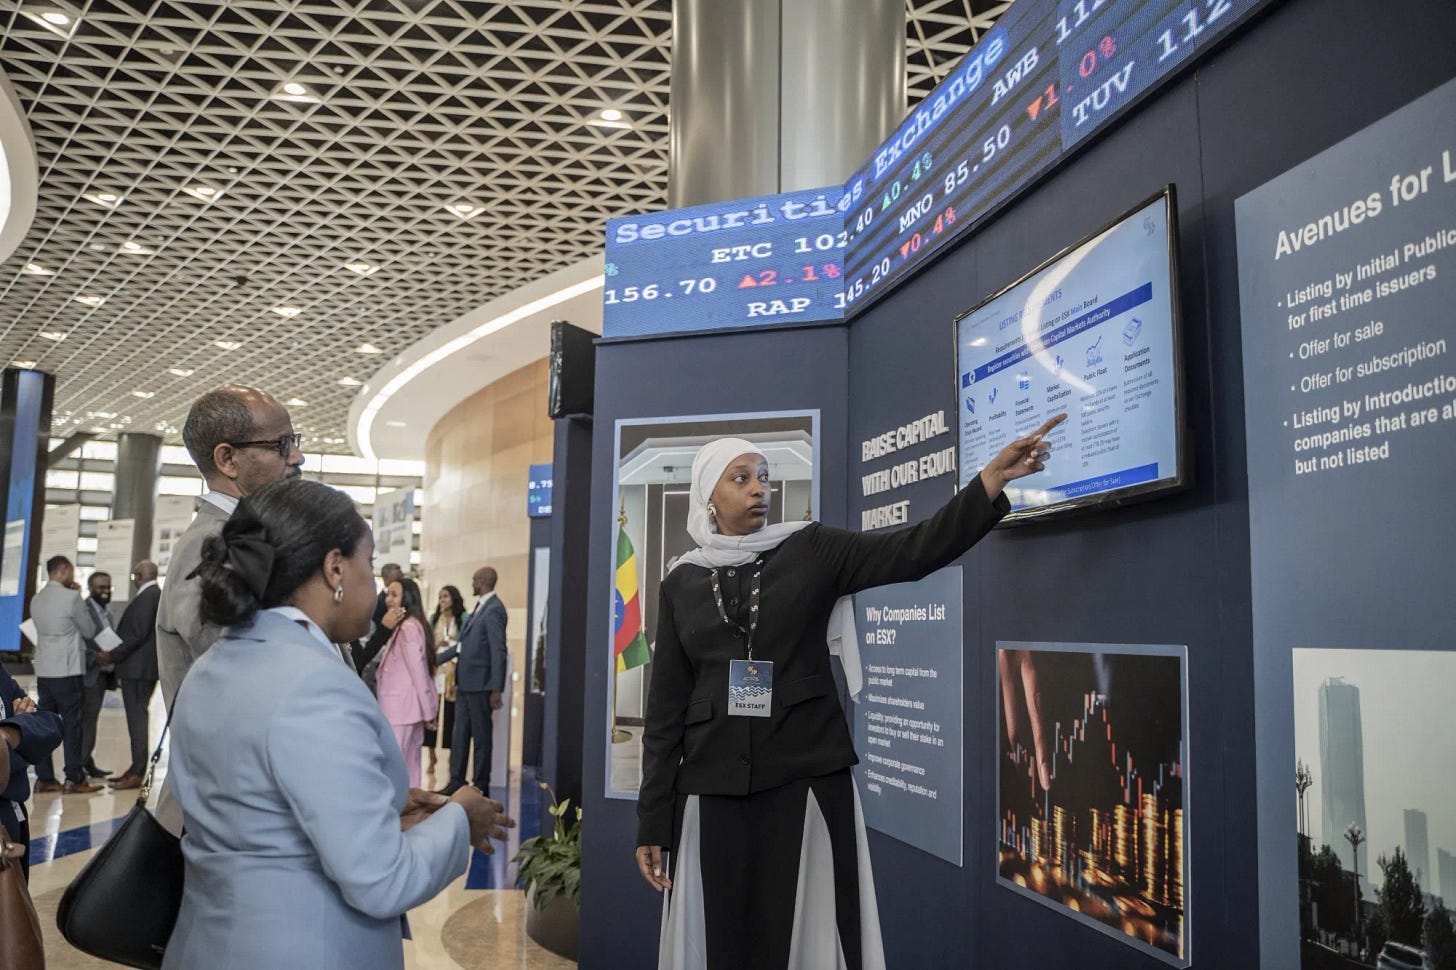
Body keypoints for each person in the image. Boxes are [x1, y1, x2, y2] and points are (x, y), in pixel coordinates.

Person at [635, 415, 1065, 969]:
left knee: (809, 939)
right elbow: (666, 709)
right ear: (707, 496)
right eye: (739, 478)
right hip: (711, 789)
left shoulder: (812, 550)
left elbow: (915, 550)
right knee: (722, 943)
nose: (759, 489)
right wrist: (653, 819)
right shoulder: (682, 581)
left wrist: (988, 483)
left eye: (764, 476)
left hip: (805, 780)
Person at [165, 477, 512, 969]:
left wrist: (382, 808)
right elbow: (381, 879)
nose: (374, 584)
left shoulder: (212, 666)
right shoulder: (316, 686)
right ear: (335, 569)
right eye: (368, 563)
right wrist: (460, 817)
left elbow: (260, 816)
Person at [155, 385, 302, 830]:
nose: (297, 457)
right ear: (227, 459)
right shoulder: (212, 548)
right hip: (231, 817)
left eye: (295, 441)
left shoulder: (250, 539)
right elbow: (259, 697)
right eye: (281, 445)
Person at [29, 555, 101, 794]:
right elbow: (89, 630)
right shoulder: (72, 598)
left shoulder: (36, 599)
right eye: (70, 571)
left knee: (45, 724)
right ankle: (74, 778)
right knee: (73, 725)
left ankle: (45, 778)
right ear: (63, 571)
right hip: (67, 670)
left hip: (44, 670)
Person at [435, 567, 507, 796]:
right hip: (465, 685)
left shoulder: (494, 609)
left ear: (484, 581)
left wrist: (497, 688)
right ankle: (456, 779)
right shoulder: (479, 608)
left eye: (475, 579)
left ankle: (480, 783)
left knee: (481, 736)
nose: (472, 583)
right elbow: (463, 646)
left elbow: (498, 651)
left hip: (480, 686)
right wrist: (436, 659)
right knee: (459, 735)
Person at [98, 560, 161, 790]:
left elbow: (137, 634)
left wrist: (112, 656)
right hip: (140, 669)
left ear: (138, 576)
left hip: (138, 670)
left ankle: (137, 771)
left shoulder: (149, 595)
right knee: (137, 718)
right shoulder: (153, 594)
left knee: (137, 719)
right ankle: (135, 768)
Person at [374, 577, 438, 789]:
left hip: (401, 710)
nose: (388, 600)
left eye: (394, 595)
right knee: (410, 767)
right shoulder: (407, 626)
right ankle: (408, 814)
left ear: (407, 598)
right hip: (405, 709)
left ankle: (399, 814)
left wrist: (430, 711)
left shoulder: (409, 627)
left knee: (397, 767)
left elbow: (419, 672)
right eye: (387, 594)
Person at [1, 668, 63, 877]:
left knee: (13, 906)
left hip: (11, 822)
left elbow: (50, 725)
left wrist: (10, 733)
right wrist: (21, 744)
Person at [80, 571, 118, 781]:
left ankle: (87, 761)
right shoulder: (84, 610)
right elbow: (77, 641)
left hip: (104, 675)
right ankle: (81, 764)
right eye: (100, 587)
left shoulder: (107, 612)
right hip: (89, 673)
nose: (104, 591)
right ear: (91, 588)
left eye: (107, 587)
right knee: (86, 722)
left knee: (92, 722)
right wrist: (95, 657)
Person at [425, 586, 466, 776]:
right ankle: (432, 755)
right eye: (440, 596)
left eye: (446, 596)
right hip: (436, 671)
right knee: (433, 713)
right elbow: (425, 644)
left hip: (454, 673)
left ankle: (451, 755)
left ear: (453, 598)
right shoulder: (434, 619)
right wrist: (436, 645)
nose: (442, 600)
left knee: (451, 716)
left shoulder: (462, 619)